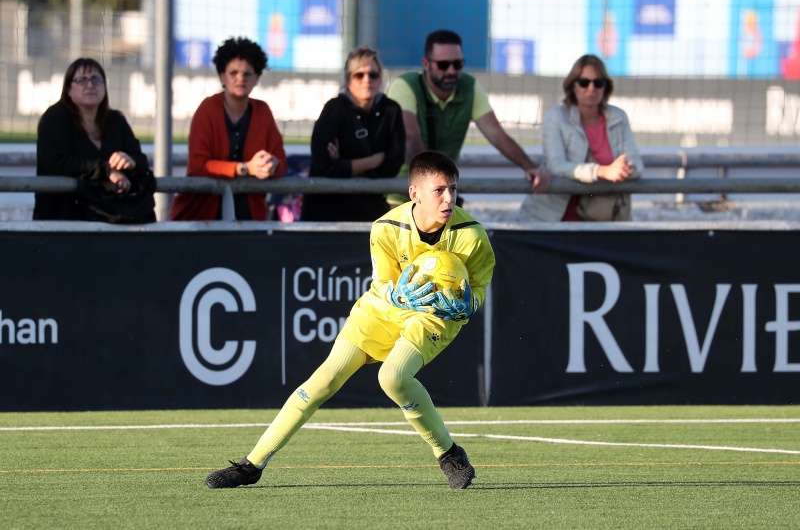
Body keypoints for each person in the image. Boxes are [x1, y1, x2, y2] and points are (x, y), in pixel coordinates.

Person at [205, 151, 495, 491]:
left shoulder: (472, 235)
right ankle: (251, 464)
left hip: (434, 315)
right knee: (323, 380)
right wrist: (399, 297)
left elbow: (478, 288)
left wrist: (466, 305)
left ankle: (449, 454)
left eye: (454, 189)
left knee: (392, 377)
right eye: (439, 190)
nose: (449, 198)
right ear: (414, 193)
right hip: (381, 309)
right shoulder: (385, 227)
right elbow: (384, 285)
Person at [386, 29, 550, 204]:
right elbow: (410, 136)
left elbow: (496, 134)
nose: (451, 71)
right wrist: (431, 182)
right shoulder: (405, 85)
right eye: (443, 65)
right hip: (400, 192)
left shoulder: (469, 86)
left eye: (458, 64)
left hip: (442, 196)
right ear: (425, 64)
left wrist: (530, 168)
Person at [169, 37, 287, 221]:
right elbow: (199, 165)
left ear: (256, 78)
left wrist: (272, 165)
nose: (240, 78)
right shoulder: (207, 110)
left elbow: (280, 160)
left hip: (249, 218)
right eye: (233, 73)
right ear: (222, 76)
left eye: (247, 73)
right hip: (201, 216)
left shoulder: (263, 112)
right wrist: (245, 168)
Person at [516, 54, 644, 222]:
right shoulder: (556, 116)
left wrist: (624, 170)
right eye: (584, 83)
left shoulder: (618, 117)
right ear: (572, 86)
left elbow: (637, 165)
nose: (591, 88)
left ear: (606, 87)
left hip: (604, 222)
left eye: (598, 83)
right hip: (556, 219)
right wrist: (603, 171)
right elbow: (556, 166)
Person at [33, 58, 151, 220]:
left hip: (113, 217)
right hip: (62, 219)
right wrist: (107, 171)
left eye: (96, 79)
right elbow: (57, 163)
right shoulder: (54, 119)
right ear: (68, 89)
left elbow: (141, 161)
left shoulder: (116, 120)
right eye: (81, 80)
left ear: (105, 86)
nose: (90, 85)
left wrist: (129, 162)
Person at [300, 46, 405, 221]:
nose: (367, 80)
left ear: (380, 79)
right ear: (348, 80)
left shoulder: (391, 110)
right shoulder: (333, 110)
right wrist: (371, 162)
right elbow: (322, 165)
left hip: (370, 210)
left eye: (373, 74)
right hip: (327, 211)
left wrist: (344, 164)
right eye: (359, 75)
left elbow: (393, 165)